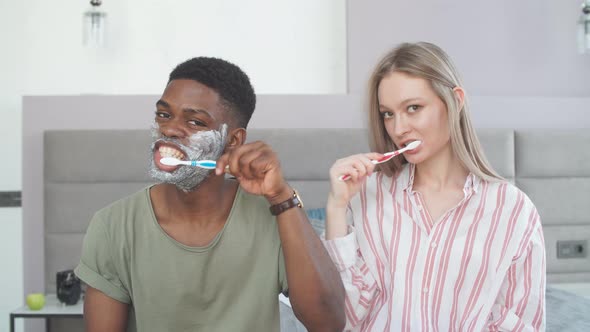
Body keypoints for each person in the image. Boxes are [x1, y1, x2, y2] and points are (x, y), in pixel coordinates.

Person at [75, 57, 345, 332]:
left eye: (195, 121)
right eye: (164, 115)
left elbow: (329, 323)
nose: (168, 129)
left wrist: (281, 197)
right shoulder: (112, 226)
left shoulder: (275, 219)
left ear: (233, 140)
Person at [323, 42, 545, 331]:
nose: (399, 128)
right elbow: (343, 318)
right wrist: (336, 208)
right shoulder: (366, 195)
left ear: (456, 101)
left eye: (413, 108)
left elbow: (521, 324)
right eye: (388, 114)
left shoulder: (513, 210)